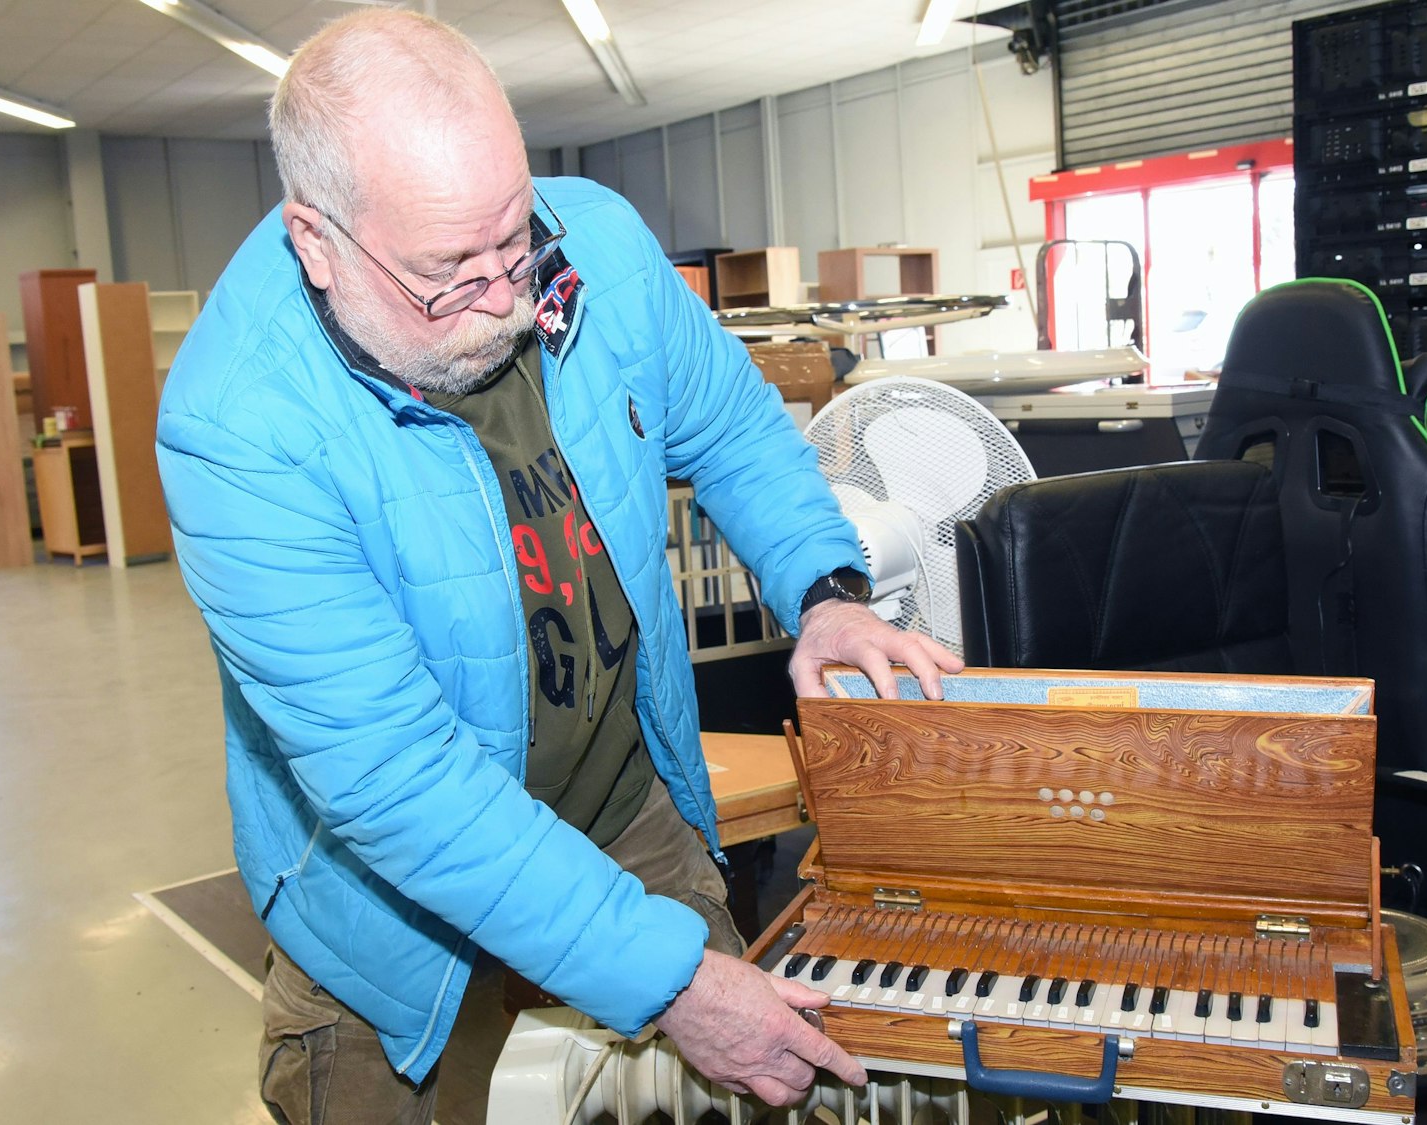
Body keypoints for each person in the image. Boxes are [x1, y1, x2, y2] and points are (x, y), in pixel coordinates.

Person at [155, 10, 961, 1122]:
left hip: (621, 804)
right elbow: (399, 782)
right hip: (384, 906)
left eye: (514, 239)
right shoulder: (237, 427)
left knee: (767, 1079)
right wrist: (669, 982)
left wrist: (825, 593)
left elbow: (730, 425)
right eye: (448, 273)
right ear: (318, 243)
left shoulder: (597, 246)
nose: (505, 298)